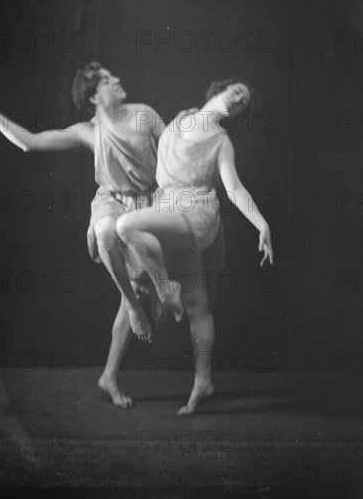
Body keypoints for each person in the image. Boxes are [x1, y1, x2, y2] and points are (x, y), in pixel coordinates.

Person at [0, 62, 165, 408]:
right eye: (108, 80)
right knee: (106, 230)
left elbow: (170, 158)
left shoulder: (145, 115)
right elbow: (30, 143)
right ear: (94, 95)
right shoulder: (87, 131)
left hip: (147, 206)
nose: (118, 79)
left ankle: (108, 375)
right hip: (111, 204)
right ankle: (138, 309)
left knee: (140, 288)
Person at [116, 78, 274, 415]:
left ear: (240, 113)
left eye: (245, 100)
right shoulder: (182, 117)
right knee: (198, 303)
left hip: (193, 212)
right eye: (239, 89)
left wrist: (262, 223)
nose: (241, 96)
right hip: (165, 206)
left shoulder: (223, 142)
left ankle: (164, 290)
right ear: (220, 88)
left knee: (127, 225)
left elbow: (233, 189)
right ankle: (204, 380)